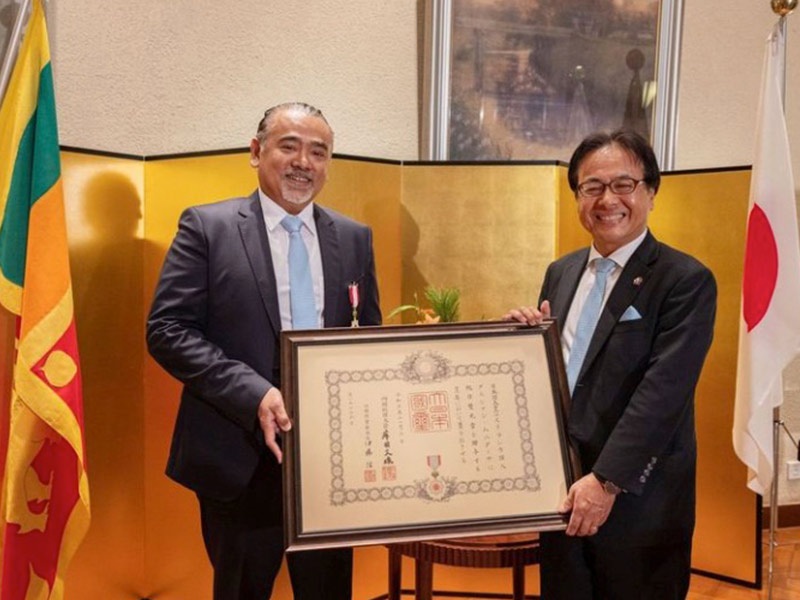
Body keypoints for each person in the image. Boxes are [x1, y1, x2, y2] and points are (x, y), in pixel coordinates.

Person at [147, 102, 381, 600]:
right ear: (256, 152)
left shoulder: (354, 239)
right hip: (240, 454)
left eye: (318, 152)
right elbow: (167, 330)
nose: (303, 163)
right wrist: (253, 392)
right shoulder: (208, 228)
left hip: (330, 465)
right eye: (288, 147)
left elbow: (368, 336)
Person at [505, 130, 716, 599]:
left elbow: (663, 394)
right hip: (562, 493)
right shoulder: (561, 272)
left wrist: (606, 482)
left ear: (651, 192)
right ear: (577, 197)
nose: (608, 200)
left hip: (639, 500)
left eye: (624, 185)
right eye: (592, 187)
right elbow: (561, 373)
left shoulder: (685, 280)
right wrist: (521, 343)